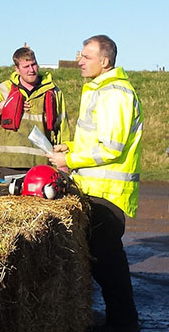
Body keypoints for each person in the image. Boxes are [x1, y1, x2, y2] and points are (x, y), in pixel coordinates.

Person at [47, 35, 141, 331]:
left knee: (108, 266)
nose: (79, 61)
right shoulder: (100, 89)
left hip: (107, 194)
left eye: (86, 56)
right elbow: (97, 140)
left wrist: (70, 161)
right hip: (96, 190)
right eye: (80, 55)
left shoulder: (115, 93)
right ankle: (121, 322)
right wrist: (70, 148)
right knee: (104, 264)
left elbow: (111, 148)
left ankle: (124, 325)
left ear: (105, 61)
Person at [0, 46, 69, 178]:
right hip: (9, 164)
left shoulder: (54, 92)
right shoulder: (4, 89)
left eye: (33, 64)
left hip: (42, 164)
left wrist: (64, 160)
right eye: (26, 66)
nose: (31, 70)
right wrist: (2, 106)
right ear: (17, 69)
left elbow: (63, 127)